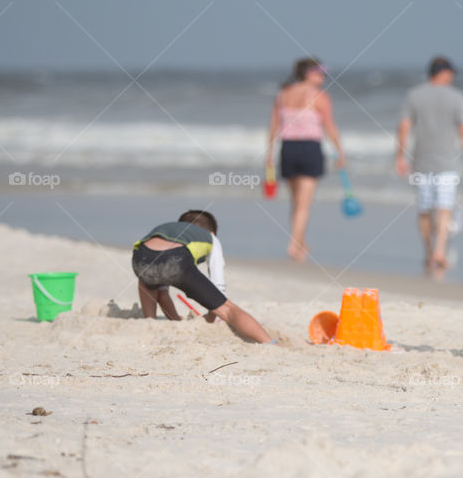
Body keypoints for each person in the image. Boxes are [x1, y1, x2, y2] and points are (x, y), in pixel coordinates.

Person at [132, 210, 273, 343]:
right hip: (176, 260)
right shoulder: (210, 237)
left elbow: (162, 293)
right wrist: (211, 318)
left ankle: (149, 322)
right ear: (211, 231)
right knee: (229, 309)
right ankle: (269, 343)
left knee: (148, 282)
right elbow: (218, 285)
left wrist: (175, 319)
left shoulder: (168, 229)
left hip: (140, 258)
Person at [395, 56, 463, 278]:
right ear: (445, 73)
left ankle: (429, 252)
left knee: (424, 210)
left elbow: (403, 127)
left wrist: (399, 156)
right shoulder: (458, 97)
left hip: (421, 161)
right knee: (444, 208)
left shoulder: (414, 95)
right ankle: (440, 251)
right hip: (449, 162)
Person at [267, 58, 346, 262]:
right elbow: (330, 127)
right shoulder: (320, 96)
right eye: (319, 72)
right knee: (304, 203)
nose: (323, 76)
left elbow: (273, 128)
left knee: (296, 201)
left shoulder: (283, 94)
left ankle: (300, 242)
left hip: (288, 149)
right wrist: (340, 152)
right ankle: (294, 244)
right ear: (307, 73)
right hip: (310, 148)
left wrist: (269, 156)